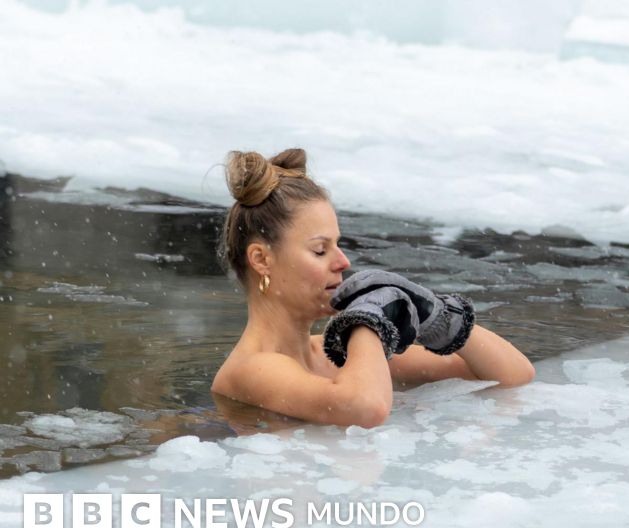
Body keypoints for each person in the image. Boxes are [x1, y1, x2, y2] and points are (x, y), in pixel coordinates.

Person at [211, 149, 534, 428]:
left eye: (338, 245)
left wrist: (440, 317)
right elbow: (365, 408)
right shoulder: (252, 368)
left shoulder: (333, 353)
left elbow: (512, 376)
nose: (343, 261)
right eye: (320, 250)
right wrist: (368, 320)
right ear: (261, 259)